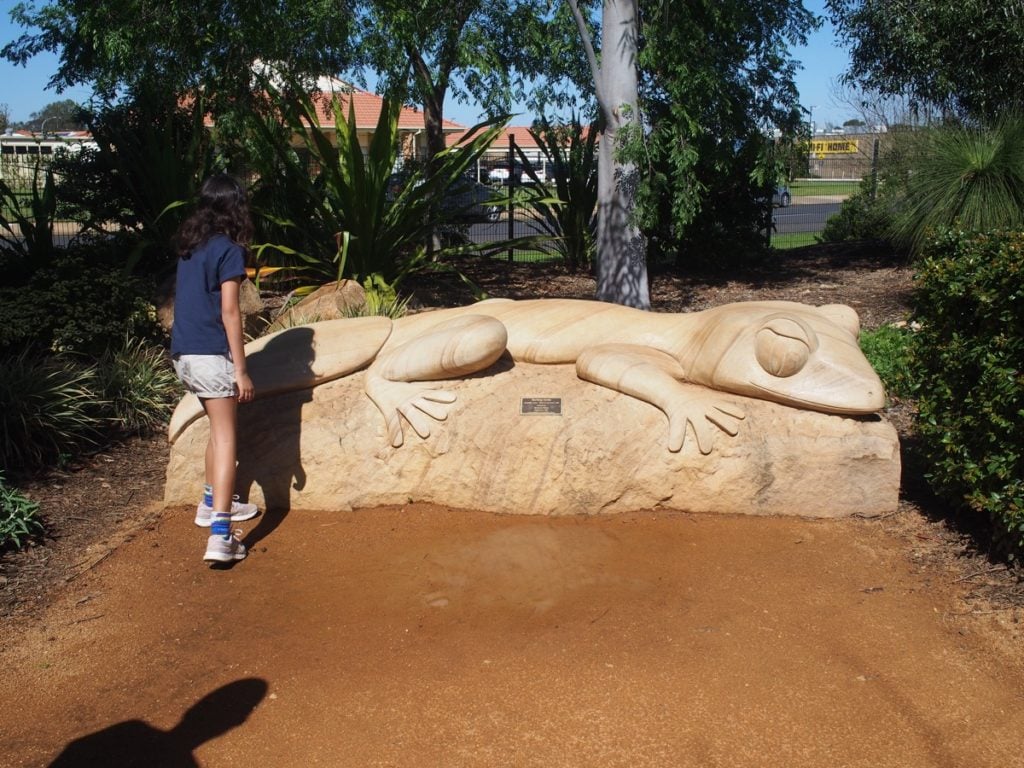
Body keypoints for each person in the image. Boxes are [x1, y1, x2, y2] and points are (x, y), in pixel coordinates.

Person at [170, 173, 259, 564]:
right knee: (227, 437)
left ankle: (210, 504)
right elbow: (230, 311)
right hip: (210, 352)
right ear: (236, 207)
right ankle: (221, 535)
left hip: (184, 353)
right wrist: (241, 370)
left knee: (216, 426)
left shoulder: (191, 247)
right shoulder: (228, 250)